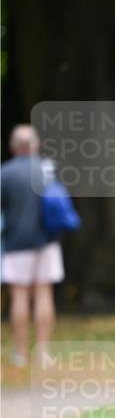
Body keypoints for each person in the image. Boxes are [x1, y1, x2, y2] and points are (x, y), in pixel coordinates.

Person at [1, 125, 64, 367]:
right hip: (47, 241)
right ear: (35, 145)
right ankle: (43, 353)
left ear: (13, 146)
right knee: (44, 293)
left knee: (19, 295)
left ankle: (20, 353)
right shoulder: (48, 170)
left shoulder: (5, 173)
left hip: (16, 242)